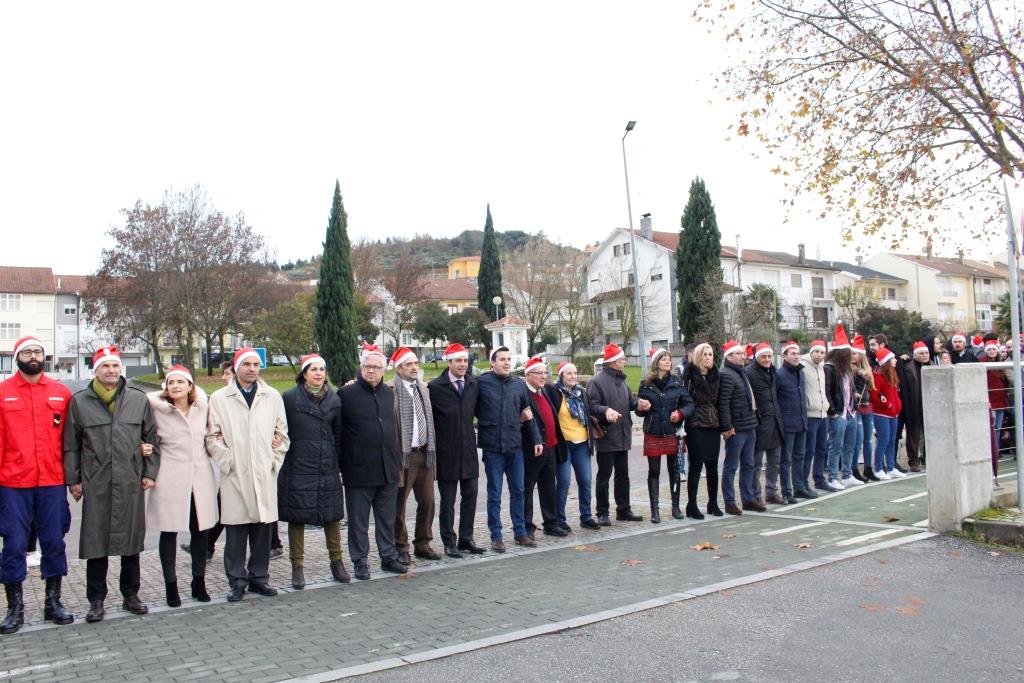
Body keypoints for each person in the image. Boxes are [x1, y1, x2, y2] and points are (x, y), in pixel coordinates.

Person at [65, 346, 159, 623]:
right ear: (96, 370)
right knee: (96, 542)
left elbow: (152, 439)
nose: (111, 371)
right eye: (105, 367)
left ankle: (131, 595)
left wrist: (149, 472)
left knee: (131, 541)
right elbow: (70, 445)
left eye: (115, 367)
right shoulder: (80, 402)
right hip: (97, 482)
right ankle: (96, 600)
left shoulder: (137, 399)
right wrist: (74, 479)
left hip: (129, 480)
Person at [0, 336, 74, 634]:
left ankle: (52, 601)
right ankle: (14, 608)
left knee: (54, 541)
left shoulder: (60, 393)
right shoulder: (3, 393)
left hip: (52, 481)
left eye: (38, 351)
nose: (33, 355)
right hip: (13, 482)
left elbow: (72, 440)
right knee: (14, 544)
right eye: (27, 351)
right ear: (17, 357)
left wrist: (74, 478)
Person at [206, 347, 289, 602]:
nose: (252, 369)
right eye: (247, 364)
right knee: (236, 532)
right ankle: (237, 581)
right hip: (236, 473)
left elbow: (282, 434)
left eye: (256, 364)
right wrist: (229, 462)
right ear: (237, 367)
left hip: (263, 472)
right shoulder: (220, 398)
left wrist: (273, 461)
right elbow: (212, 436)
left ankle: (259, 578)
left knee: (262, 531)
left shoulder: (272, 396)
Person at [147, 365, 218, 606]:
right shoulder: (157, 409)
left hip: (200, 475)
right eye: (170, 382)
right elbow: (146, 435)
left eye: (180, 382)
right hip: (170, 474)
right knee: (168, 531)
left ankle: (199, 581)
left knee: (201, 530)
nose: (175, 386)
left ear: (190, 386)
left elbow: (214, 434)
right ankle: (171, 586)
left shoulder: (203, 407)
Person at [278, 354, 349, 590]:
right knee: (298, 516)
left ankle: (337, 562)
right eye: (313, 369)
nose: (319, 373)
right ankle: (297, 567)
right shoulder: (289, 398)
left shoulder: (335, 399)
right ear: (304, 373)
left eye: (322, 369)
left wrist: (337, 464)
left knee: (332, 515)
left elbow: (339, 435)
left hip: (327, 465)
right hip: (299, 465)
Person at [336, 344, 407, 580]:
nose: (371, 371)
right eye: (367, 366)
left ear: (384, 370)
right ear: (361, 367)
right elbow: (338, 431)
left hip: (387, 467)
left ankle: (388, 557)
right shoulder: (346, 394)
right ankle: (360, 561)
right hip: (358, 469)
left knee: (386, 519)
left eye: (376, 367)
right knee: (358, 522)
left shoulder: (388, 393)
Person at [476, 346, 541, 552]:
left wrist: (537, 439)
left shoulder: (518, 385)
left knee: (518, 490)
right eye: (502, 359)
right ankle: (496, 536)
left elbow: (527, 414)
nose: (506, 362)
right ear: (492, 363)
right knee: (494, 493)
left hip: (515, 447)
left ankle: (520, 532)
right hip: (493, 448)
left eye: (509, 359)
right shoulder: (481, 383)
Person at [428, 343, 486, 558]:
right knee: (448, 501)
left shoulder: (473, 384)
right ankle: (448, 542)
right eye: (458, 361)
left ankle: (466, 538)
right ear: (449, 362)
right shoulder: (435, 387)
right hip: (447, 453)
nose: (463, 364)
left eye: (465, 361)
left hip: (469, 450)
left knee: (470, 495)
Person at [387, 347, 442, 564]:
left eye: (415, 364)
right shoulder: (390, 389)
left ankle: (423, 543)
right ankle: (401, 547)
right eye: (408, 364)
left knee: (428, 501)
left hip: (424, 454)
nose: (414, 368)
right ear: (399, 368)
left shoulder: (424, 388)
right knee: (399, 505)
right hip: (403, 456)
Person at [588, 343, 651, 524]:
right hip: (607, 436)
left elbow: (630, 401)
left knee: (623, 476)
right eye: (622, 359)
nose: (625, 361)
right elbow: (591, 406)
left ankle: (624, 510)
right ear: (614, 362)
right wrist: (606, 410)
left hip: (623, 435)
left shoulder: (621, 381)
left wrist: (639, 403)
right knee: (604, 476)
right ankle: (602, 513)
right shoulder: (596, 381)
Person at [182, 360, 234, 559]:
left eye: (227, 373)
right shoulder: (219, 399)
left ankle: (207, 546)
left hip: (249, 462)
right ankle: (207, 546)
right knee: (223, 504)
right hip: (230, 462)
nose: (223, 377)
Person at [636, 348, 694, 522]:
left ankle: (675, 507)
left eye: (669, 359)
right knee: (654, 471)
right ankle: (655, 510)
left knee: (674, 471)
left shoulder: (677, 382)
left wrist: (680, 414)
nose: (668, 362)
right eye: (664, 359)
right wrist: (641, 407)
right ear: (656, 363)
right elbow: (639, 411)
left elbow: (689, 404)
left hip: (672, 432)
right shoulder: (645, 384)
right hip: (653, 431)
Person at [522, 356, 569, 537]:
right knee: (528, 488)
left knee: (549, 486)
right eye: (539, 373)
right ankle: (527, 526)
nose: (543, 376)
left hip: (550, 447)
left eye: (545, 373)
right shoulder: (524, 393)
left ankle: (550, 523)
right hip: (533, 449)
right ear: (528, 375)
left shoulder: (546, 391)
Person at [552, 360, 599, 530]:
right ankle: (559, 519)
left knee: (585, 481)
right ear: (561, 376)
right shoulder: (555, 393)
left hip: (581, 443)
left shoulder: (582, 393)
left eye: (574, 373)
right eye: (569, 373)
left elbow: (591, 411)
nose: (573, 376)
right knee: (563, 482)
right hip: (564, 444)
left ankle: (586, 516)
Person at [682, 343, 723, 517]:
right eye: (705, 354)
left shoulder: (716, 375)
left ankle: (712, 503)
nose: (708, 357)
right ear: (698, 356)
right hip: (695, 423)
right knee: (697, 465)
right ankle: (692, 505)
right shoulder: (689, 375)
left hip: (713, 423)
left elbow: (720, 400)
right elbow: (683, 399)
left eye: (711, 354)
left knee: (713, 465)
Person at [718, 340, 758, 515]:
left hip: (749, 424)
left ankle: (748, 499)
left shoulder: (741, 372)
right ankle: (730, 501)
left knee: (749, 464)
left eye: (743, 353)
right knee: (731, 466)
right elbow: (724, 403)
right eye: (739, 353)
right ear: (729, 356)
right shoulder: (726, 374)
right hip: (736, 428)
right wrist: (727, 426)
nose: (743, 355)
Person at [746, 342, 786, 507]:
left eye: (769, 356)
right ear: (757, 357)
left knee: (774, 461)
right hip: (760, 424)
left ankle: (771, 491)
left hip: (775, 422)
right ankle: (755, 495)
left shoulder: (774, 372)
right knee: (756, 463)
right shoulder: (749, 373)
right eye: (764, 356)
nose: (767, 359)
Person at [824, 324, 860, 491]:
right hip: (838, 413)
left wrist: (855, 397)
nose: (853, 356)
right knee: (835, 446)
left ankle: (847, 474)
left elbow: (848, 389)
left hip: (850, 412)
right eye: (849, 353)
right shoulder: (830, 368)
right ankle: (832, 477)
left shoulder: (846, 369)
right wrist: (832, 411)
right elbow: (828, 391)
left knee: (850, 445)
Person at [776, 340, 809, 502]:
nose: (796, 357)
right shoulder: (779, 374)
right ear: (784, 356)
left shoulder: (800, 373)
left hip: (801, 422)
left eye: (798, 353)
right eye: (793, 354)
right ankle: (786, 491)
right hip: (788, 424)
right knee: (786, 459)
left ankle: (799, 487)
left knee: (800, 456)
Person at [800, 340, 829, 494]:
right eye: (816, 352)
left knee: (822, 448)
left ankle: (819, 479)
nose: (819, 355)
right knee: (808, 450)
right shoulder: (803, 367)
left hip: (822, 413)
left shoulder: (823, 368)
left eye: (822, 352)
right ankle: (803, 482)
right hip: (810, 415)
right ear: (811, 352)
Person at [896, 341, 929, 473]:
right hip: (913, 405)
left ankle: (927, 457)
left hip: (929, 405)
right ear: (915, 354)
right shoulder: (907, 365)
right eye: (921, 353)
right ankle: (914, 461)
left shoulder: (932, 366)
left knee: (929, 434)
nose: (925, 355)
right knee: (913, 435)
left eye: (926, 353)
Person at [870, 348, 902, 479]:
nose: (895, 360)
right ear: (886, 362)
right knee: (883, 440)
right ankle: (878, 468)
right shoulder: (878, 376)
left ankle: (891, 467)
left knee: (892, 441)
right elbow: (874, 395)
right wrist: (887, 404)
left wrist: (897, 405)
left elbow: (895, 394)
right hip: (881, 414)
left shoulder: (892, 374)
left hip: (894, 413)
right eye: (893, 358)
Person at [851, 336, 878, 481]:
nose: (852, 356)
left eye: (854, 353)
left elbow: (871, 387)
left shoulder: (867, 368)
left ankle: (868, 468)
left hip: (868, 407)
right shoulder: (852, 369)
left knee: (868, 440)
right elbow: (858, 372)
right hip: (857, 408)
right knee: (858, 440)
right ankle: (854, 469)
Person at [983, 340, 1011, 478]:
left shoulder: (1001, 364)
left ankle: (997, 451)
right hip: (990, 400)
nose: (991, 352)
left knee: (998, 428)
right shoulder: (983, 363)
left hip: (1001, 400)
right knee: (992, 428)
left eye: (994, 350)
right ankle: (991, 453)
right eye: (989, 350)